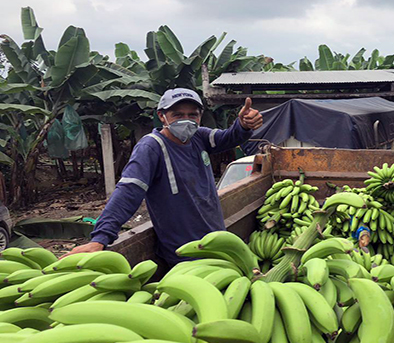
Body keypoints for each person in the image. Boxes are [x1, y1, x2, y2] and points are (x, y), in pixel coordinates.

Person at [64, 88, 263, 269]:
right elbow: (128, 191)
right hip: (185, 254)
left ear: (200, 116)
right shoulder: (151, 147)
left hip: (216, 241)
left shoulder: (198, 138)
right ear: (162, 116)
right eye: (177, 115)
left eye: (192, 115)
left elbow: (229, 137)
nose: (186, 120)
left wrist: (243, 126)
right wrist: (100, 238)